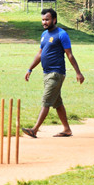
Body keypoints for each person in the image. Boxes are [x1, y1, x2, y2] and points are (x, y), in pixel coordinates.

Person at [21, 8, 84, 138]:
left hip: (56, 73)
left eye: (47, 19)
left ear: (54, 20)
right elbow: (39, 54)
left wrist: (78, 73)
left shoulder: (62, 34)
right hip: (46, 73)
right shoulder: (44, 35)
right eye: (43, 20)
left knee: (46, 101)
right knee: (57, 103)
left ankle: (35, 129)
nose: (44, 22)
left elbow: (70, 55)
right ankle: (67, 129)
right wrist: (30, 69)